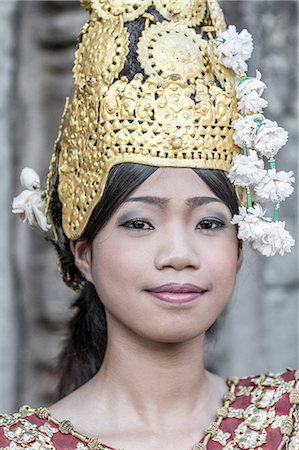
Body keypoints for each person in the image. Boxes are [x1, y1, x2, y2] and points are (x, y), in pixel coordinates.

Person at [1, 1, 297, 449]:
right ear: (83, 252)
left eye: (209, 223)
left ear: (240, 248)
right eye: (140, 223)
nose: (179, 254)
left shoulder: (289, 416)